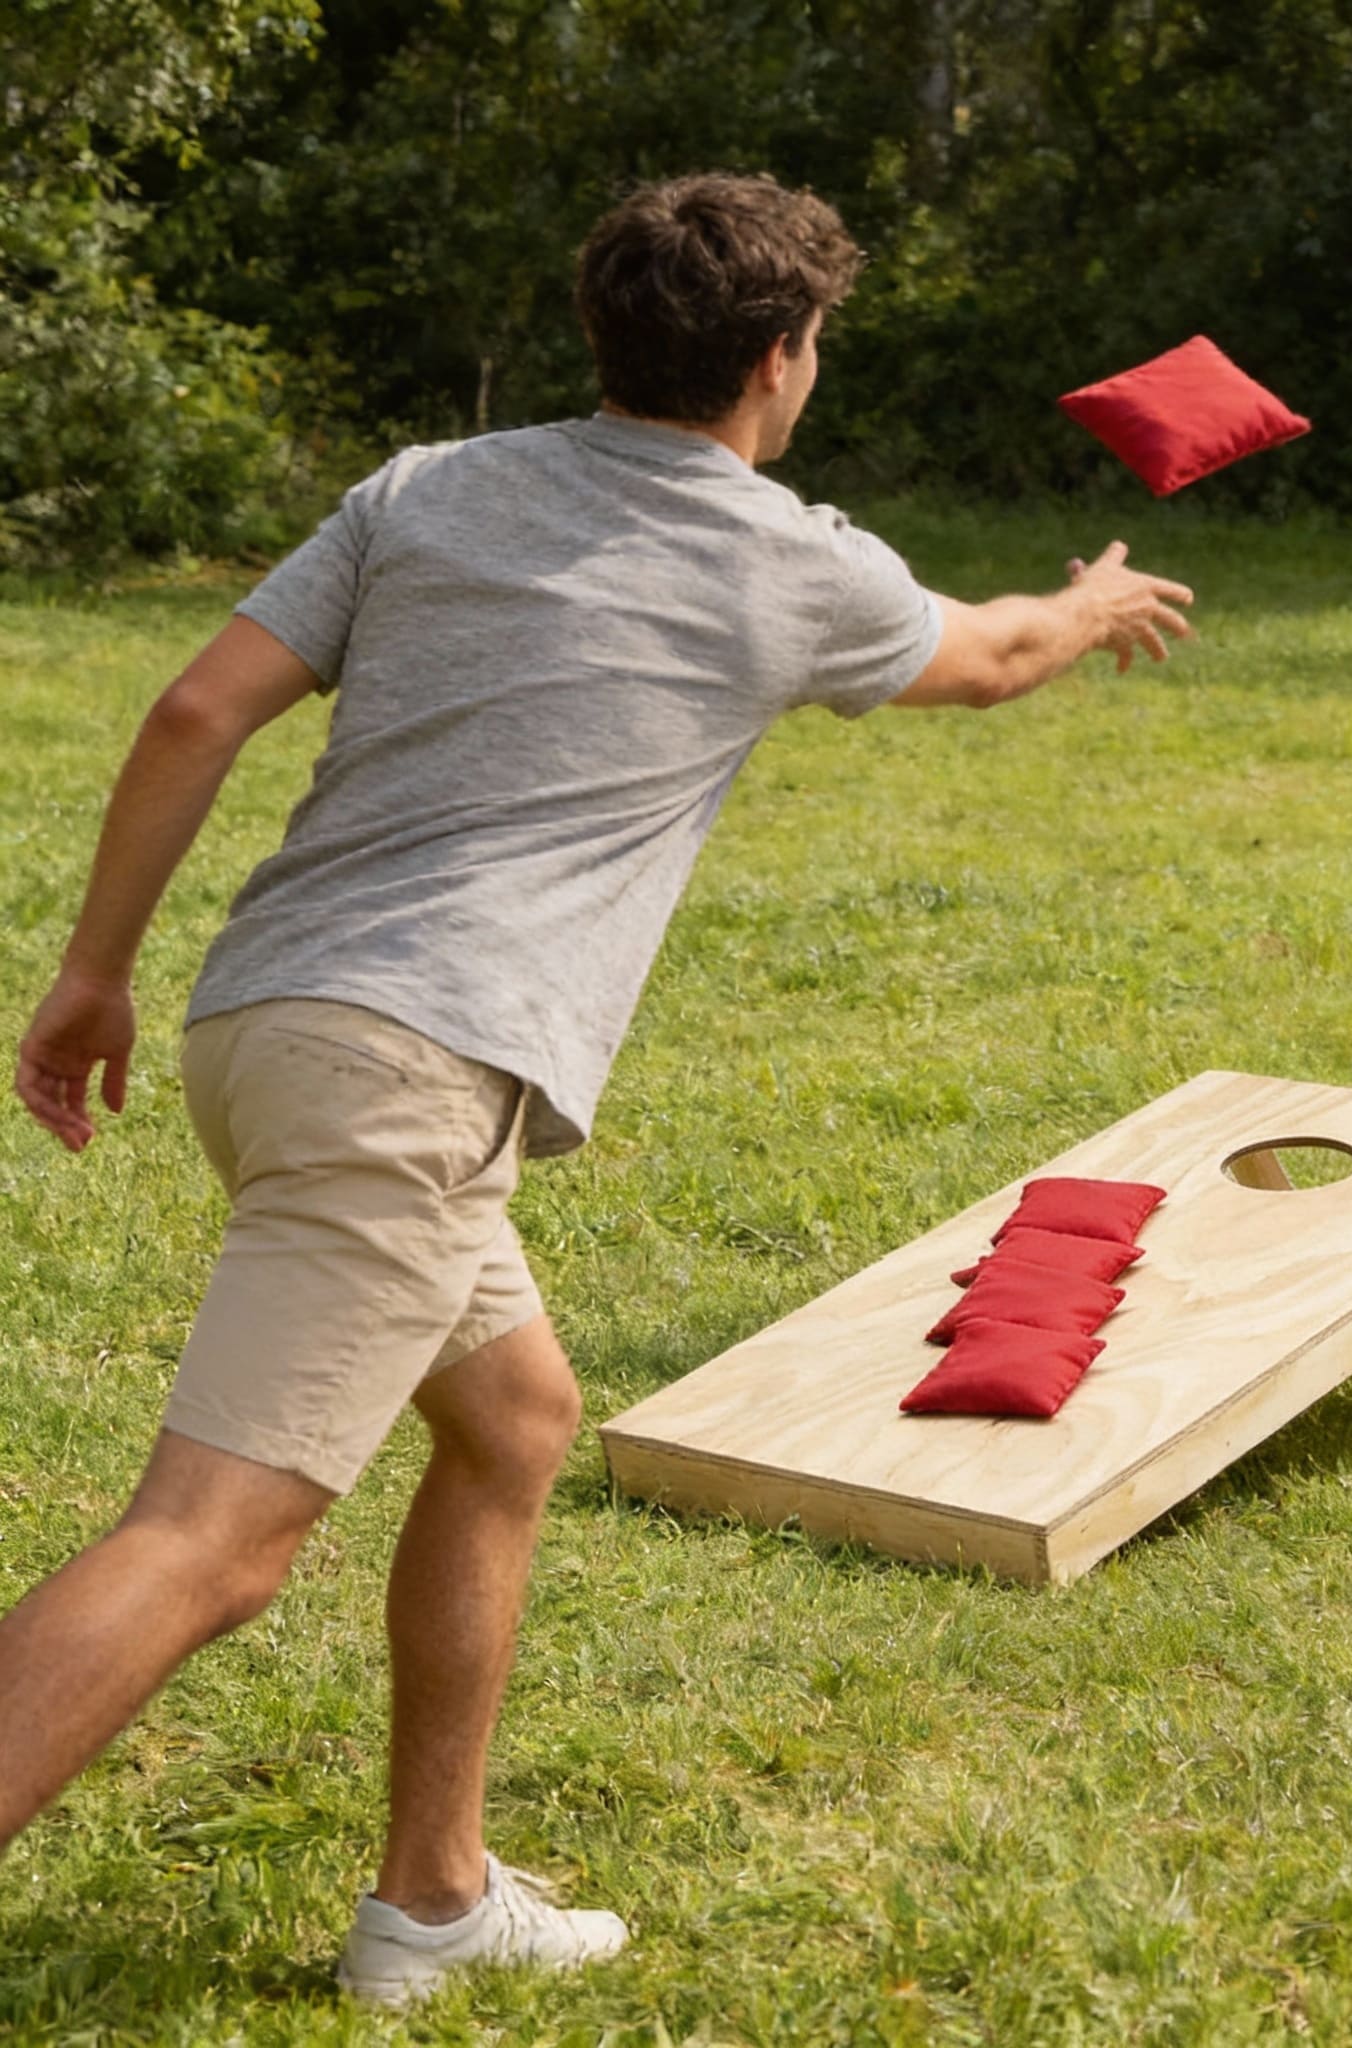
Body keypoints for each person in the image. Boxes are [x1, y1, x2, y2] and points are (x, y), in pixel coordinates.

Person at [2, 171, 1194, 2004]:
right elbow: (999, 657)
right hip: (418, 1069)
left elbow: (191, 715)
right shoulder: (789, 559)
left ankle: (433, 1899)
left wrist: (91, 973)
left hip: (272, 1029)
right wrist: (1086, 601)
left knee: (515, 1422)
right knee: (209, 1545)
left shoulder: (428, 487)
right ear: (781, 361)